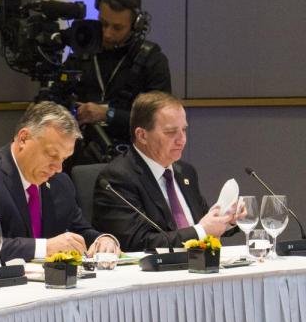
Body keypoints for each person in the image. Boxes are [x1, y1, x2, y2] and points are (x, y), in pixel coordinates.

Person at [0, 102, 120, 263]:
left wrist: (102, 240)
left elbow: (79, 231)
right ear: (24, 138)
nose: (58, 168)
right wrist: (45, 248)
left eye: (64, 158)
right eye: (52, 155)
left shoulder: (60, 183)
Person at [93, 92, 236, 251]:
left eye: (184, 130)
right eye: (170, 132)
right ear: (142, 135)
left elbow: (204, 223)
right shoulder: (118, 178)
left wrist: (227, 220)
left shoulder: (186, 172)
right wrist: (201, 231)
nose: (182, 139)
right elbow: (136, 243)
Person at [63, 0, 171, 164]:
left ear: (136, 25)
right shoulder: (81, 54)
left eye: (117, 28)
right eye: (103, 23)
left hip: (132, 160)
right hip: (78, 158)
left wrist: (108, 114)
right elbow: (57, 100)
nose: (107, 33)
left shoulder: (152, 61)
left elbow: (158, 120)